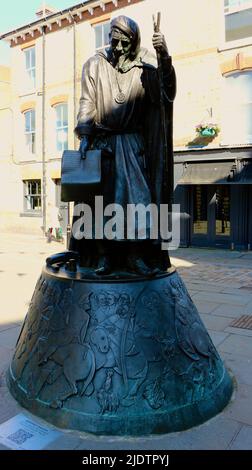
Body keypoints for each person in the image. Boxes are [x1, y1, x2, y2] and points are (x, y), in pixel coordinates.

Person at [70, 15, 176, 275]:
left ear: (134, 41)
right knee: (101, 204)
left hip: (132, 145)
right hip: (103, 144)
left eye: (123, 43)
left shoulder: (147, 66)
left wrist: (164, 57)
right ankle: (104, 256)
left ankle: (135, 256)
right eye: (113, 41)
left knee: (137, 202)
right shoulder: (95, 65)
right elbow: (87, 102)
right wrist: (84, 135)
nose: (117, 48)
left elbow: (166, 93)